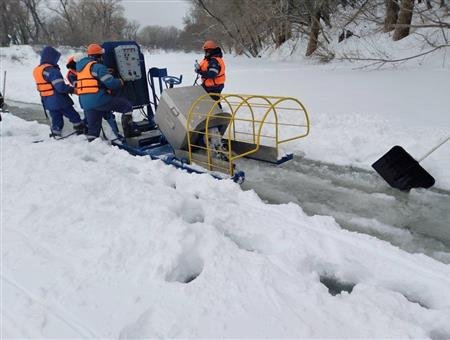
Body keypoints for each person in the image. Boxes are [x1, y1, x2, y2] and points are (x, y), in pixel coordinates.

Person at [76, 43, 135, 141]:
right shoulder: (98, 67)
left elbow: (92, 80)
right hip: (98, 100)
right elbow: (111, 84)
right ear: (99, 56)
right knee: (126, 106)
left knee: (93, 131)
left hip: (85, 103)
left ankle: (92, 146)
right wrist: (120, 81)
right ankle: (129, 133)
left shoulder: (82, 68)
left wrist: (105, 72)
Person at [32, 46, 85, 136]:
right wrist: (73, 90)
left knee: (56, 118)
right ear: (51, 57)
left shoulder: (37, 70)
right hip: (59, 99)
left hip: (47, 100)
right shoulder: (52, 70)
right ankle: (81, 129)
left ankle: (56, 133)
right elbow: (60, 87)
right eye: (55, 58)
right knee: (73, 115)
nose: (56, 61)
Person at [195, 40, 226, 106]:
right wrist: (198, 68)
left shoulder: (214, 61)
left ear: (210, 50)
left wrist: (200, 72)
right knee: (207, 102)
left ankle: (219, 115)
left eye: (206, 51)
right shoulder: (209, 59)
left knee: (214, 105)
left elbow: (212, 74)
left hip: (214, 86)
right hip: (208, 85)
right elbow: (205, 68)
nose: (205, 52)